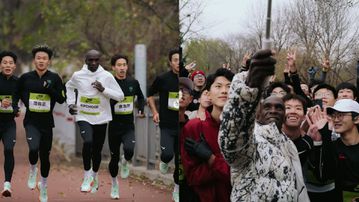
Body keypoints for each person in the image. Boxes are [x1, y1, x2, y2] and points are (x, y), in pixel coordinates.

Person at [219, 50, 309, 201]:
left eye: (279, 107)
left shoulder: (288, 145)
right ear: (258, 113)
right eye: (267, 107)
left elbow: (299, 187)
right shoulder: (251, 139)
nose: (273, 110)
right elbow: (232, 142)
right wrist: (248, 88)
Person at [12, 44, 66, 202]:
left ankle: (43, 186)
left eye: (44, 58)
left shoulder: (54, 78)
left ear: (49, 61)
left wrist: (50, 90)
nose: (41, 61)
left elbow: (62, 99)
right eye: (38, 58)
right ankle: (33, 169)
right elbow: (16, 94)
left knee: (45, 156)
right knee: (33, 147)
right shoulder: (25, 78)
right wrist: (15, 106)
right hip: (31, 121)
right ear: (34, 60)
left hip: (47, 123)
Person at [65, 50, 124, 194]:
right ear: (85, 60)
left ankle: (94, 175)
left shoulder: (107, 76)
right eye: (90, 60)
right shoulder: (78, 75)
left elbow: (120, 96)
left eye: (96, 60)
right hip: (83, 116)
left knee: (97, 150)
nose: (93, 63)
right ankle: (86, 176)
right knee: (88, 142)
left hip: (101, 118)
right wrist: (71, 103)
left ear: (100, 61)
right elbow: (69, 86)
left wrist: (104, 90)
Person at [181, 68, 233, 202]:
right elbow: (192, 177)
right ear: (208, 94)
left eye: (229, 86)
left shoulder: (243, 131)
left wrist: (211, 159)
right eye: (218, 86)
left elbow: (240, 174)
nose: (224, 91)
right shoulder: (194, 127)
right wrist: (223, 166)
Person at [108, 54, 145, 199]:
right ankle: (114, 184)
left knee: (129, 150)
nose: (122, 68)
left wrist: (140, 108)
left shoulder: (133, 82)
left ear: (127, 67)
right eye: (119, 65)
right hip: (113, 127)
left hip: (128, 126)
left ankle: (125, 161)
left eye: (124, 65)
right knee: (113, 158)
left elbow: (141, 97)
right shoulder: (109, 84)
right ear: (113, 67)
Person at [147, 48, 179, 202]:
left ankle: (177, 188)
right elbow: (149, 94)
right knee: (168, 154)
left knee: (181, 162)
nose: (178, 63)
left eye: (180, 60)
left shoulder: (187, 80)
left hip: (183, 125)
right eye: (175, 60)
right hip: (166, 124)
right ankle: (165, 160)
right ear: (170, 62)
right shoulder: (163, 78)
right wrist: (154, 112)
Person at [326, 99, 359, 201]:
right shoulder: (332, 147)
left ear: (356, 119)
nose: (336, 120)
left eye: (341, 115)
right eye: (334, 116)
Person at [0, 51, 19, 197]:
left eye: (10, 63)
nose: (8, 65)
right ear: (0, 65)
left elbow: (23, 99)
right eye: (5, 62)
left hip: (8, 124)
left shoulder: (18, 82)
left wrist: (16, 109)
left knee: (8, 149)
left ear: (15, 66)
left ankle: (7, 184)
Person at [282, 94, 313, 165]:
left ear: (304, 116)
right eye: (288, 108)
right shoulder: (270, 140)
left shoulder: (307, 143)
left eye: (298, 108)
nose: (293, 111)